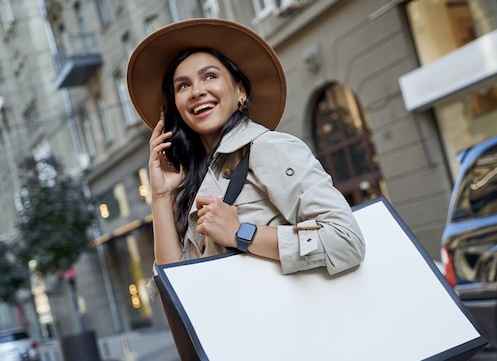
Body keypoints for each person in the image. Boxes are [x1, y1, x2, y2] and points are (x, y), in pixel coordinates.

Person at [126, 18, 365, 277]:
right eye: (183, 85)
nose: (196, 91)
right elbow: (177, 284)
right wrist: (161, 196)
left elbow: (346, 240)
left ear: (240, 90)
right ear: (176, 105)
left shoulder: (269, 148)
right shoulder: (191, 181)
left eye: (210, 76)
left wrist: (240, 233)